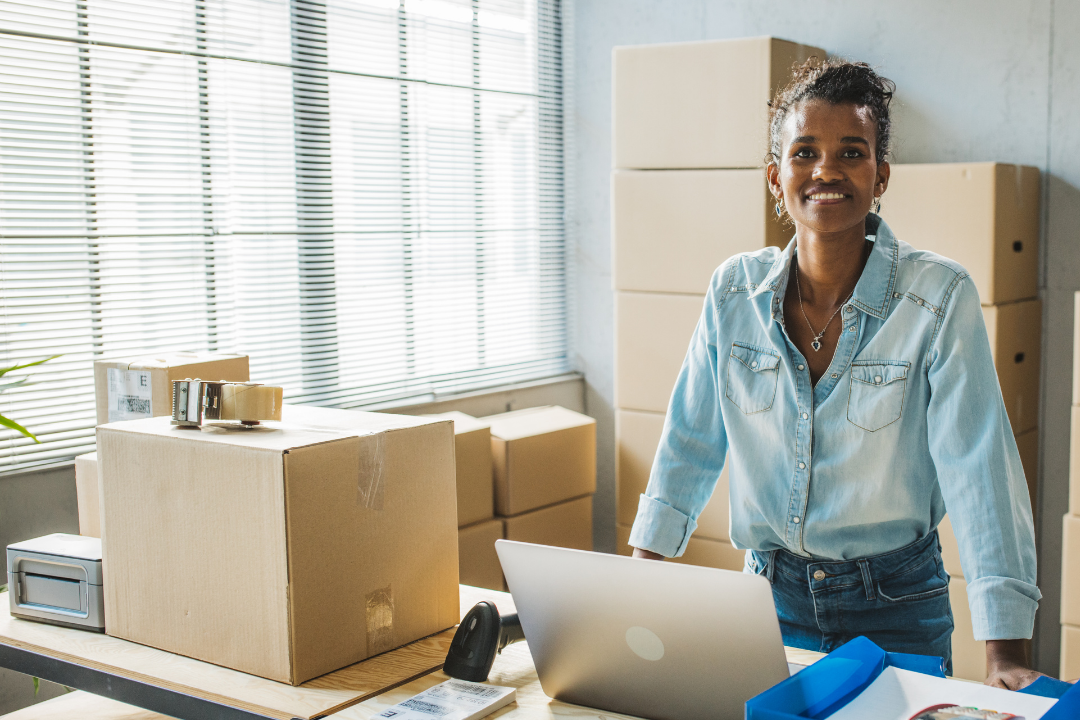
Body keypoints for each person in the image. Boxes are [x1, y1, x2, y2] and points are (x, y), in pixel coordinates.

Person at [628, 59, 1043, 690]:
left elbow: (980, 469)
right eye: (804, 152)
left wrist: (1005, 652)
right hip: (767, 605)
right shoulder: (733, 291)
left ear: (879, 175)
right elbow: (688, 441)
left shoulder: (936, 296)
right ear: (777, 176)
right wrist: (637, 583)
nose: (826, 170)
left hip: (897, 609)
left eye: (852, 151)